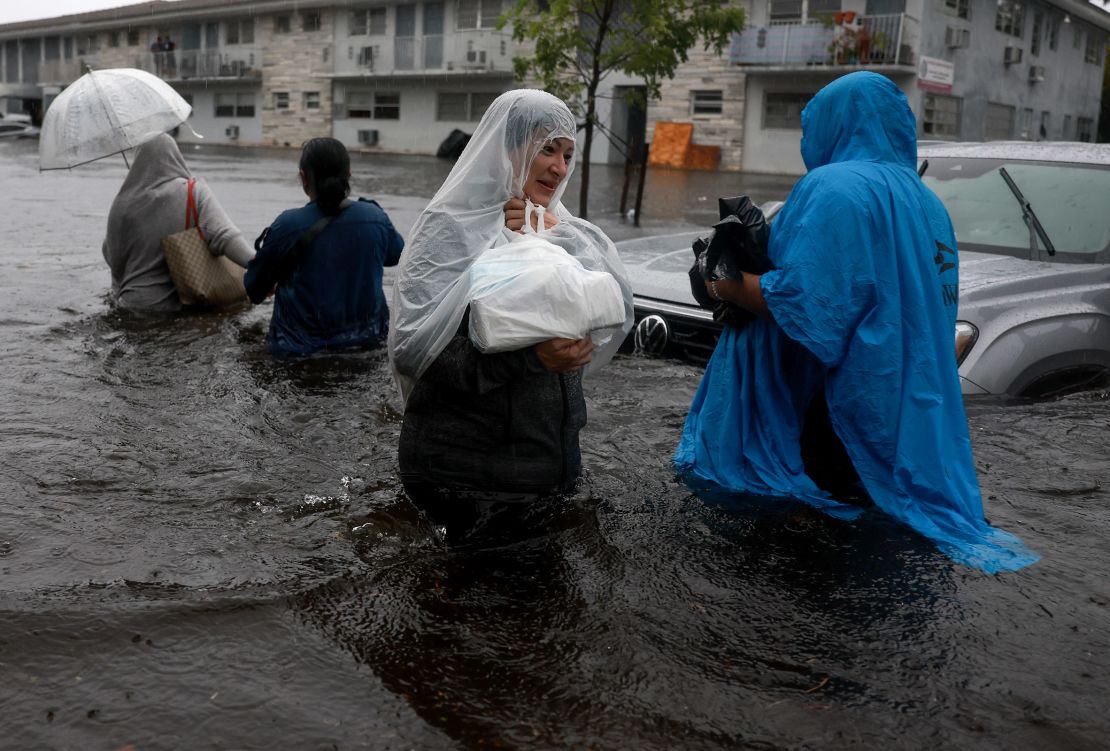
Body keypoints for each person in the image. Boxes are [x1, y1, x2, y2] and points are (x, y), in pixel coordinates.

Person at [674, 72, 1038, 573]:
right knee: (881, 546)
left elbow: (806, 305)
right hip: (902, 409)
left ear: (835, 124)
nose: (807, 140)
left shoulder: (831, 186)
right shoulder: (926, 202)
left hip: (827, 402)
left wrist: (722, 282)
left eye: (812, 125)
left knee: (804, 556)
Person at [388, 89, 633, 533]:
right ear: (508, 147)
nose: (559, 167)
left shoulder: (559, 228)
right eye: (546, 149)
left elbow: (612, 311)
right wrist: (532, 359)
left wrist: (550, 239)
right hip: (466, 476)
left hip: (545, 466)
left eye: (567, 153)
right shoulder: (450, 228)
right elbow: (412, 350)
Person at [244, 137, 404, 357]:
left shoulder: (287, 225)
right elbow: (396, 255)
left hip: (298, 353)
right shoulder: (375, 217)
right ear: (348, 176)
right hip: (369, 346)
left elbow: (254, 290)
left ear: (303, 178)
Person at [102, 133, 254, 312]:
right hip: (171, 310)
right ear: (175, 156)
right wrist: (264, 268)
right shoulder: (191, 191)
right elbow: (225, 237)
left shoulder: (121, 204)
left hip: (127, 305)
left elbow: (109, 254)